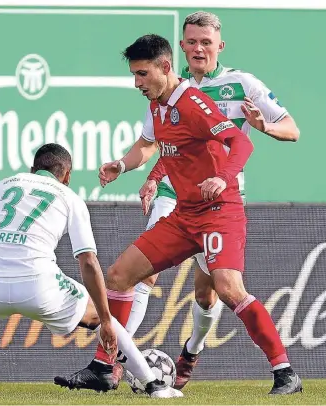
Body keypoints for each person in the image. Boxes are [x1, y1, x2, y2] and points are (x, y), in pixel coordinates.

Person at [55, 34, 302, 396]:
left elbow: (241, 141)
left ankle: (285, 372)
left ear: (165, 67)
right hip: (184, 215)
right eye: (134, 75)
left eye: (142, 74)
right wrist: (122, 166)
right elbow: (153, 147)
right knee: (119, 276)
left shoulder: (193, 103)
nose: (136, 83)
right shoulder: (158, 105)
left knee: (228, 290)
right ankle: (104, 368)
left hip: (219, 212)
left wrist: (221, 176)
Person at [0, 143, 182, 399]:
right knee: (105, 319)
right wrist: (104, 320)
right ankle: (155, 386)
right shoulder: (69, 197)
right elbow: (88, 261)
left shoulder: (4, 185)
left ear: (33, 169)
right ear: (67, 175)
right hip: (40, 285)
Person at [126, 11, 301, 391]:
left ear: (219, 45)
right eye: (191, 42)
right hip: (174, 196)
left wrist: (262, 126)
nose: (198, 49)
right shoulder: (164, 83)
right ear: (181, 47)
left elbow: (292, 130)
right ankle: (117, 360)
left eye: (206, 42)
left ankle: (192, 350)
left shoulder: (241, 83)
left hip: (218, 196)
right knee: (142, 273)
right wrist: (151, 178)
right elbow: (158, 143)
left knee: (211, 292)